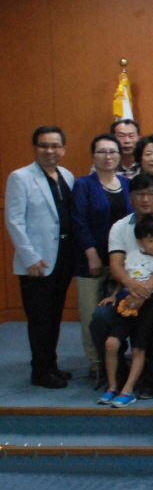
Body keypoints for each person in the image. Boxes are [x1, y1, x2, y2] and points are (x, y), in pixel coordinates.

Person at [95, 173, 153, 397]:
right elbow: (116, 264)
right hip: (128, 291)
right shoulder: (120, 227)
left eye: (151, 193)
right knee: (101, 317)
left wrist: (144, 289)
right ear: (131, 197)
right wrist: (131, 285)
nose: (145, 199)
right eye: (139, 194)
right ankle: (117, 376)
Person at [6, 126, 76, 388]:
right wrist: (30, 258)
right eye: (43, 145)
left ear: (63, 149)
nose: (49, 150)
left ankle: (51, 364)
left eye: (55, 146)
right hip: (37, 262)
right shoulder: (20, 177)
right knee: (39, 318)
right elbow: (14, 220)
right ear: (35, 148)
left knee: (54, 314)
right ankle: (40, 371)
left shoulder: (67, 175)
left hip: (63, 256)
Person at [99, 215, 153, 408]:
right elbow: (124, 278)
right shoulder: (133, 256)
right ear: (140, 242)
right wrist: (114, 295)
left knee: (138, 348)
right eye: (151, 241)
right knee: (111, 343)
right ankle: (112, 386)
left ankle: (127, 390)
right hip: (128, 301)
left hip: (150, 304)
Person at [72, 134, 133, 375]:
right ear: (93, 156)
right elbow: (78, 221)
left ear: (119, 155)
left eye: (112, 151)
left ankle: (118, 357)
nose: (108, 156)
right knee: (91, 313)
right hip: (91, 260)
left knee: (121, 310)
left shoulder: (127, 184)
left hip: (123, 260)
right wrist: (91, 254)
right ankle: (96, 361)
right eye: (102, 151)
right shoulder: (84, 184)